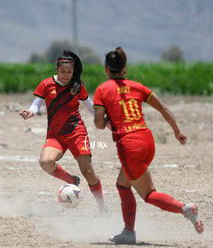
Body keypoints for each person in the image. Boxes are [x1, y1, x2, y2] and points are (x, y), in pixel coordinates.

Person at [93, 47, 203, 245]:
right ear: (124, 68)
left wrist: (109, 120)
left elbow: (99, 125)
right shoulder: (138, 86)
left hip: (129, 146)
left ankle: (185, 209)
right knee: (123, 184)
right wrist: (177, 132)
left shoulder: (102, 90)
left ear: (106, 69)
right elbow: (163, 108)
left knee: (149, 193)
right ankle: (128, 232)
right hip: (147, 141)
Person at [19, 50, 106, 213]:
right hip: (55, 135)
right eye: (62, 71)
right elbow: (36, 104)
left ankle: (102, 208)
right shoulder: (46, 84)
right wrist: (30, 112)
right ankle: (71, 180)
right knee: (45, 162)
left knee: (88, 171)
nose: (66, 75)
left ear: (73, 72)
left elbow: (89, 106)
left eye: (69, 72)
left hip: (76, 133)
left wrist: (105, 118)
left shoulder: (77, 85)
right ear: (57, 69)